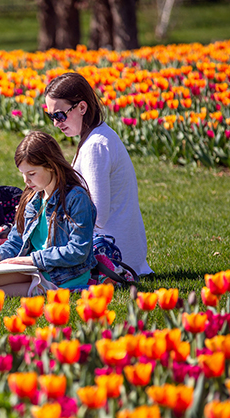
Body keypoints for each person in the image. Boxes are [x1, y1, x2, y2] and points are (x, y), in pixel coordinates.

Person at [44, 71, 153, 276]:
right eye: (51, 116)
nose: (56, 123)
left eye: (60, 115)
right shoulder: (97, 136)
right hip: (116, 249)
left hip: (112, 255)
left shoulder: (96, 146)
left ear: (82, 107)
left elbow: (98, 216)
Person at [0, 131, 96, 296]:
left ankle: (41, 289)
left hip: (64, 275)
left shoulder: (76, 198)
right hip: (33, 269)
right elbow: (16, 242)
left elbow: (78, 251)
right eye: (23, 174)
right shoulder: (33, 197)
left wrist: (30, 260)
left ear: (51, 166)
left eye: (31, 174)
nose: (26, 180)